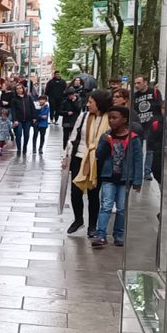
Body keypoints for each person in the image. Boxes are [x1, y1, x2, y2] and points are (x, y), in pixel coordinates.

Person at [92, 105, 143, 249]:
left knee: (121, 207)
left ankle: (119, 234)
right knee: (106, 205)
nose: (111, 121)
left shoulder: (133, 138)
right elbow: (98, 156)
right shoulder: (106, 136)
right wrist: (107, 144)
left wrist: (138, 180)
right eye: (110, 118)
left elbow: (138, 160)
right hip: (108, 176)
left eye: (115, 118)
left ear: (124, 120)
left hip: (124, 179)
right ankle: (101, 234)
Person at [65, 89, 112, 238]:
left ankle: (92, 225)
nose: (88, 104)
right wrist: (66, 157)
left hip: (97, 159)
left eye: (91, 102)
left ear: (100, 104)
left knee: (93, 194)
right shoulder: (84, 116)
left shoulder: (109, 118)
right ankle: (78, 219)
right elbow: (73, 137)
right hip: (80, 157)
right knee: (75, 192)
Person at [132, 75, 164, 181]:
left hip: (152, 125)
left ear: (145, 82)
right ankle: (137, 171)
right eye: (135, 83)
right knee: (138, 149)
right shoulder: (135, 96)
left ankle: (147, 171)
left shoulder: (154, 92)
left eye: (139, 83)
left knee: (150, 149)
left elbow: (160, 106)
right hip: (139, 125)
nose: (136, 85)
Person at [5, 82, 36, 156]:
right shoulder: (14, 99)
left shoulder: (28, 97)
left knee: (27, 135)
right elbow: (13, 110)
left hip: (28, 120)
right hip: (18, 120)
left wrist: (34, 117)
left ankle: (24, 147)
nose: (19, 90)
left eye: (20, 88)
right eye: (17, 89)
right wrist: (14, 120)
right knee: (18, 135)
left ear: (23, 89)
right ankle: (19, 149)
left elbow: (32, 108)